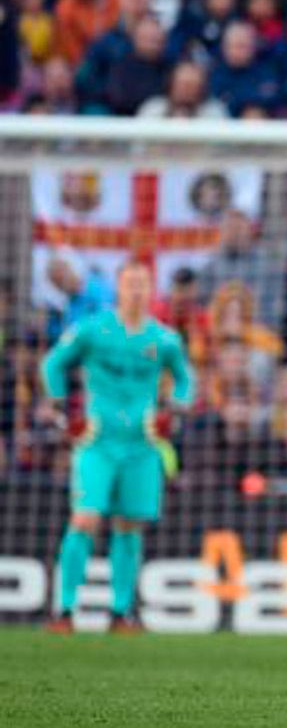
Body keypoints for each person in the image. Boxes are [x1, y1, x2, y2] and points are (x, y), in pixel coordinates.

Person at [42, 262, 194, 634]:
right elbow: (53, 364)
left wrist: (172, 410)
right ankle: (64, 609)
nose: (137, 291)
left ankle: (120, 611)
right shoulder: (94, 330)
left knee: (129, 525)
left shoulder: (163, 339)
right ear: (118, 288)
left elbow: (186, 379)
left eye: (143, 284)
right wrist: (64, 411)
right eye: (130, 284)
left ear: (151, 290)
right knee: (86, 518)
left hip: (142, 444)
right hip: (97, 440)